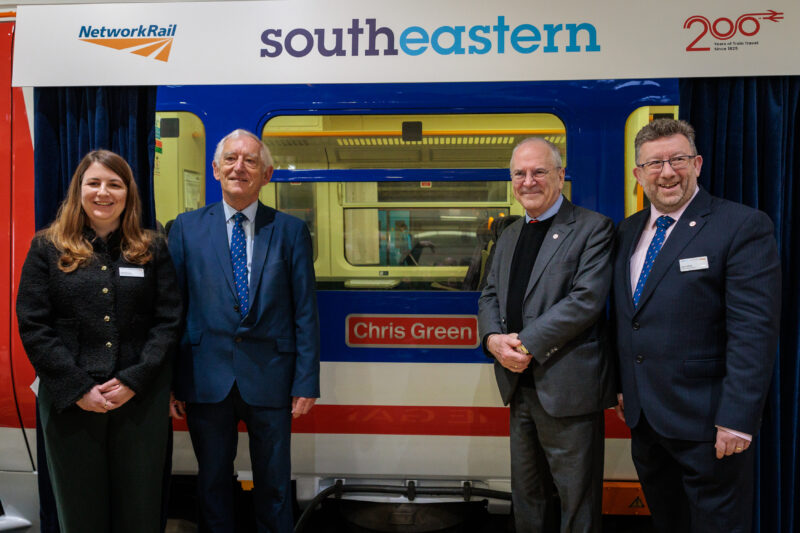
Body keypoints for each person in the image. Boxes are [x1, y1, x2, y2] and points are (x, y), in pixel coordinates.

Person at [611, 119, 781, 533]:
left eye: (677, 160)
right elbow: (627, 318)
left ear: (698, 164)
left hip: (710, 425)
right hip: (646, 422)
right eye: (654, 163)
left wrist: (738, 418)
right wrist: (621, 386)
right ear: (638, 174)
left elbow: (754, 331)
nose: (667, 172)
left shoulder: (741, 226)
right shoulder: (627, 231)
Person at [16, 149, 181, 533]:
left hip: (139, 402)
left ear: (128, 194)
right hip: (70, 405)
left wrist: (133, 381)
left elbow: (168, 322)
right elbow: (34, 325)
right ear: (78, 190)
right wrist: (77, 388)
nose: (103, 192)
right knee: (80, 514)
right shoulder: (47, 248)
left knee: (139, 514)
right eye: (93, 183)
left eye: (114, 184)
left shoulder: (152, 248)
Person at [168, 129, 320, 532]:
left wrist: (306, 381)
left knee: (273, 487)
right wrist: (172, 381)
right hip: (205, 378)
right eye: (231, 159)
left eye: (251, 160)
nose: (240, 167)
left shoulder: (289, 231)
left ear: (267, 174)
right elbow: (173, 310)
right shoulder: (184, 229)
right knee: (212, 484)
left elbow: (305, 310)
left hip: (272, 377)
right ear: (215, 170)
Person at [478, 138, 615, 533]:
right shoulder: (509, 234)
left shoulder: (593, 228)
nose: (528, 181)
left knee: (577, 502)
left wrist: (521, 344)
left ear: (559, 174)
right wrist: (492, 341)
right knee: (527, 497)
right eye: (519, 173)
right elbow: (488, 295)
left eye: (539, 171)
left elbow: (585, 302)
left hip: (568, 389)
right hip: (518, 385)